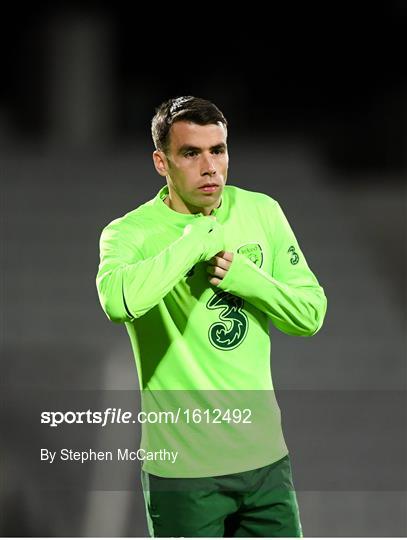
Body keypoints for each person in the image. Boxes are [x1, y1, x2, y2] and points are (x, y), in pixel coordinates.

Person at [96, 96, 327, 537]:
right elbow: (118, 301)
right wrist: (193, 241)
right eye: (190, 153)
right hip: (183, 474)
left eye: (217, 150)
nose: (209, 167)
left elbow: (311, 313)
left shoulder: (262, 211)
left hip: (266, 463)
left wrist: (248, 279)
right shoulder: (128, 234)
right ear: (161, 162)